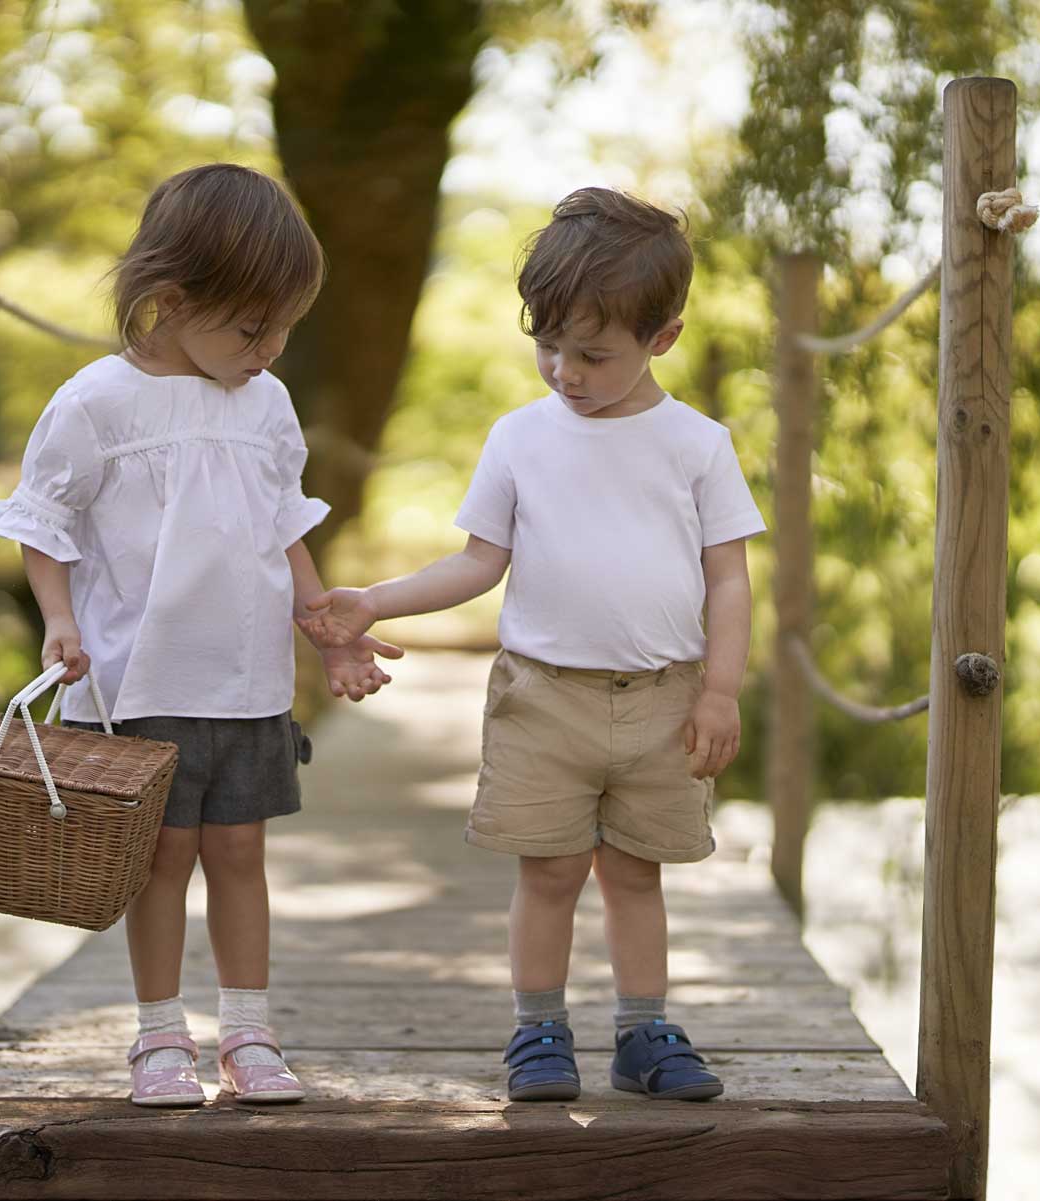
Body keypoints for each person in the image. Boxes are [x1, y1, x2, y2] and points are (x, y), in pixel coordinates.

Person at [300, 187, 764, 1102]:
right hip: (542, 694)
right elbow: (479, 564)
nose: (566, 371)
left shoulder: (698, 445)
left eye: (594, 353)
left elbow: (728, 578)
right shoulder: (520, 437)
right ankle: (539, 1027)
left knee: (637, 870)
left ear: (662, 338)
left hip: (664, 695)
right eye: (548, 346)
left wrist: (720, 689)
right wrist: (375, 602)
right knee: (549, 867)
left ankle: (643, 1029)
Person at [0, 164, 402, 1108]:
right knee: (163, 858)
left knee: (240, 854)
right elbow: (43, 523)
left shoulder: (267, 407)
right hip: (141, 681)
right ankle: (159, 1037)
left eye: (286, 325)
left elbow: (283, 526)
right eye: (253, 328)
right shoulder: (97, 403)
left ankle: (249, 1033)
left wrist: (325, 628)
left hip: (245, 681)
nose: (272, 349)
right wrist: (60, 621)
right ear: (168, 301)